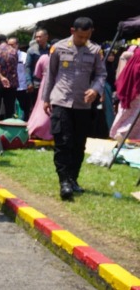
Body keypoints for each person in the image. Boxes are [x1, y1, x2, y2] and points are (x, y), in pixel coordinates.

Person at [43, 17, 106, 200]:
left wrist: (95, 89)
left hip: (83, 104)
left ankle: (73, 179)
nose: (82, 40)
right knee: (63, 142)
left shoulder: (95, 50)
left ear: (91, 33)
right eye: (79, 36)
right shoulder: (59, 48)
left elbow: (101, 74)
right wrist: (46, 99)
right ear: (72, 31)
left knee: (79, 144)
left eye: (86, 36)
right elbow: (51, 74)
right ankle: (64, 182)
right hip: (61, 101)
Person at [109, 47, 140, 142]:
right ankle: (122, 134)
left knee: (125, 115)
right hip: (134, 93)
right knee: (134, 117)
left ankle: (120, 134)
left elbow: (119, 77)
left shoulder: (132, 53)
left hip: (128, 93)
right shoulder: (132, 54)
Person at [0, 34, 18, 122]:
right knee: (10, 109)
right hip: (11, 83)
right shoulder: (14, 50)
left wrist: (1, 77)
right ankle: (9, 130)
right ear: (6, 41)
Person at [27, 54, 52, 140]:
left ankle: (34, 129)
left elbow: (37, 74)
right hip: (58, 84)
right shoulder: (62, 57)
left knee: (39, 107)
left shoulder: (43, 57)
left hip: (44, 83)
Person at [25, 28, 50, 111]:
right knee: (35, 106)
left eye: (40, 37)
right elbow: (27, 66)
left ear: (46, 37)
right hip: (36, 84)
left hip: (49, 83)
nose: (38, 39)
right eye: (36, 37)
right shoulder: (32, 50)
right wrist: (29, 82)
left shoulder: (52, 49)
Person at [8, 37, 31, 121]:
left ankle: (25, 124)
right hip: (10, 87)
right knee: (10, 108)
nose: (10, 47)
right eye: (8, 45)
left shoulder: (24, 56)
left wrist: (29, 83)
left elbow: (28, 70)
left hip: (22, 86)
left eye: (12, 45)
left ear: (17, 45)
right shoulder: (5, 56)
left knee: (25, 107)